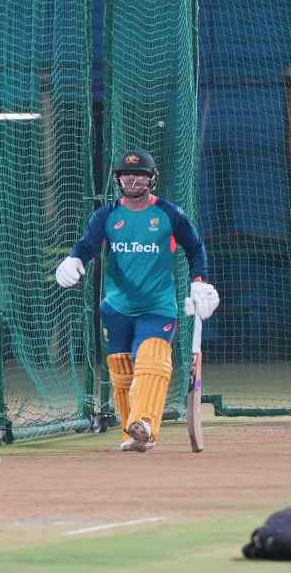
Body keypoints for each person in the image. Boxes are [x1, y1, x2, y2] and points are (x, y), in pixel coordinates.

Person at [55, 149, 218, 452]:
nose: (133, 179)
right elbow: (86, 245)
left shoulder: (169, 214)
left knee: (153, 361)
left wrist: (199, 283)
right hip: (117, 308)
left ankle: (145, 424)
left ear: (151, 179)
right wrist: (74, 260)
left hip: (157, 308)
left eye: (140, 174)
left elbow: (195, 248)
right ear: (118, 178)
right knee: (121, 372)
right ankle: (132, 432)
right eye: (127, 174)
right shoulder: (107, 216)